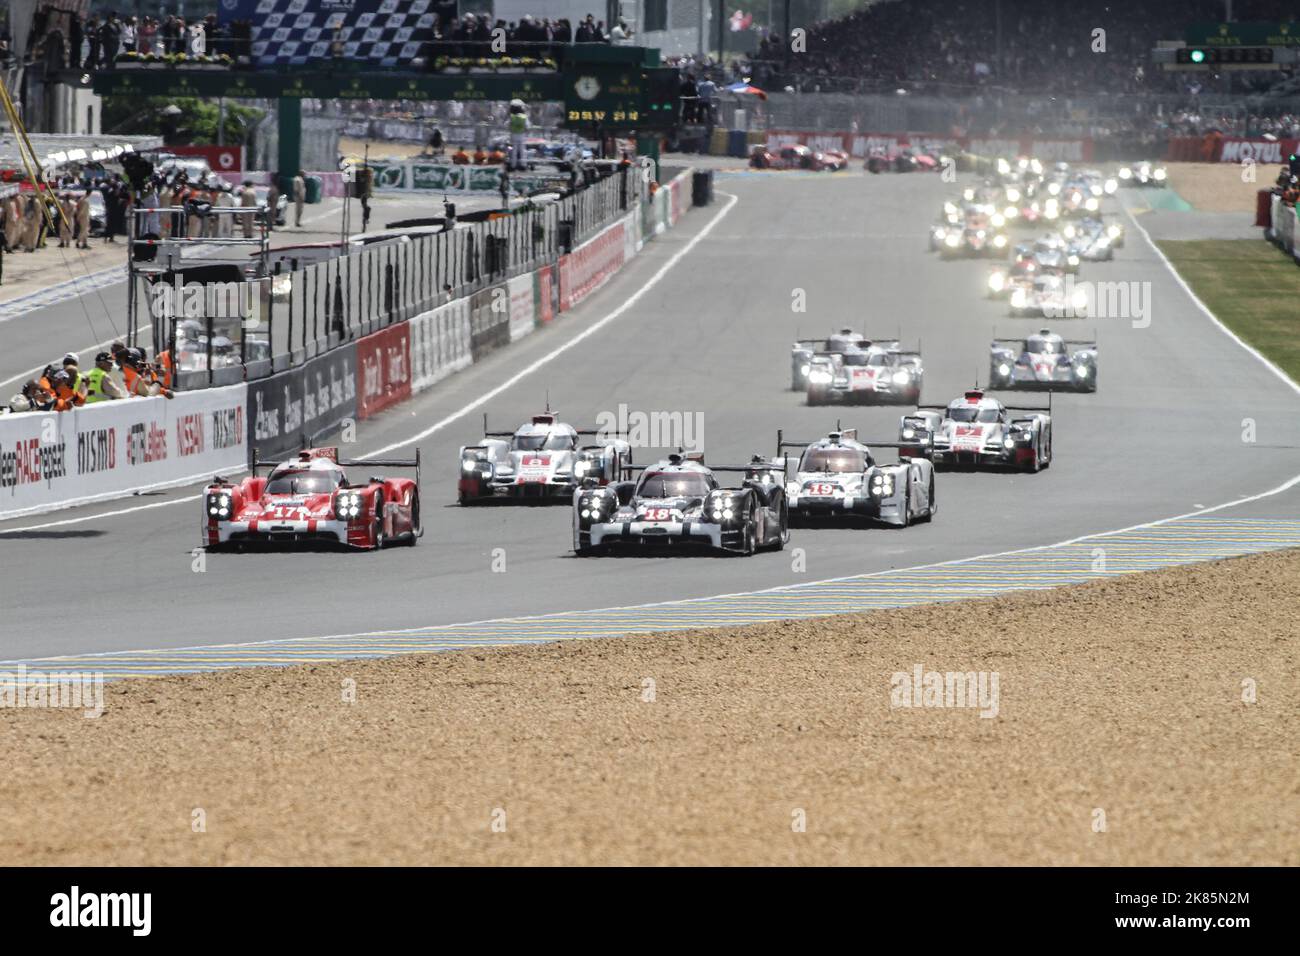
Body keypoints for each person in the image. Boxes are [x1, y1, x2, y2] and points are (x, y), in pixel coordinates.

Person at [508, 99, 529, 171]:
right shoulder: (524, 117)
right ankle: (523, 165)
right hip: (522, 135)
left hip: (514, 135)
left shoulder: (512, 117)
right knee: (522, 150)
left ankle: (513, 165)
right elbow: (527, 126)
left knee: (514, 150)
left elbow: (507, 124)